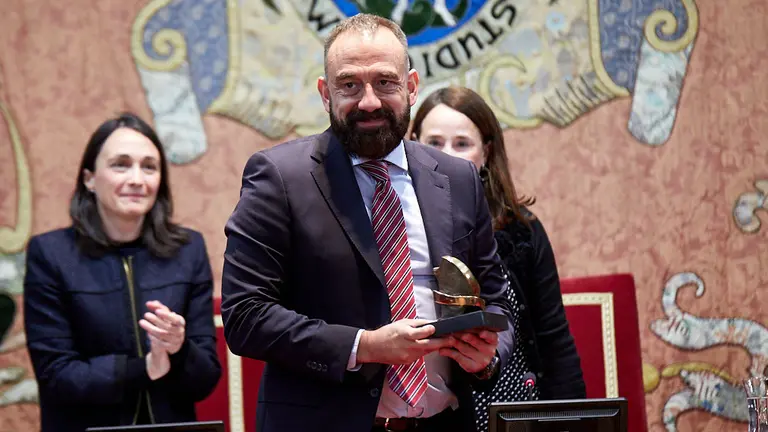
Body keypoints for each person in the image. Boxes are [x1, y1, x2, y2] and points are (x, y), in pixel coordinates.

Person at [221, 14, 518, 432]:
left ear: (411, 86)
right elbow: (245, 315)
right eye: (349, 85)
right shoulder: (279, 178)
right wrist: (365, 346)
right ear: (325, 93)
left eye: (385, 82)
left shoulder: (458, 178)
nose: (369, 102)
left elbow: (496, 301)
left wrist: (488, 358)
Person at [23, 113, 222, 432]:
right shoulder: (50, 254)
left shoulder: (188, 250)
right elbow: (57, 376)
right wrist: (143, 368)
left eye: (149, 167)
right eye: (121, 164)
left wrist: (178, 348)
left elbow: (205, 380)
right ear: (89, 178)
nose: (137, 179)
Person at [411, 87, 586, 430]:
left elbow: (553, 338)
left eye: (462, 144)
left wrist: (571, 422)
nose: (448, 156)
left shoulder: (522, 230)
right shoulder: (395, 225)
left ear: (486, 153)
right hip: (428, 414)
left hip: (511, 409)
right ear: (413, 145)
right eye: (434, 143)